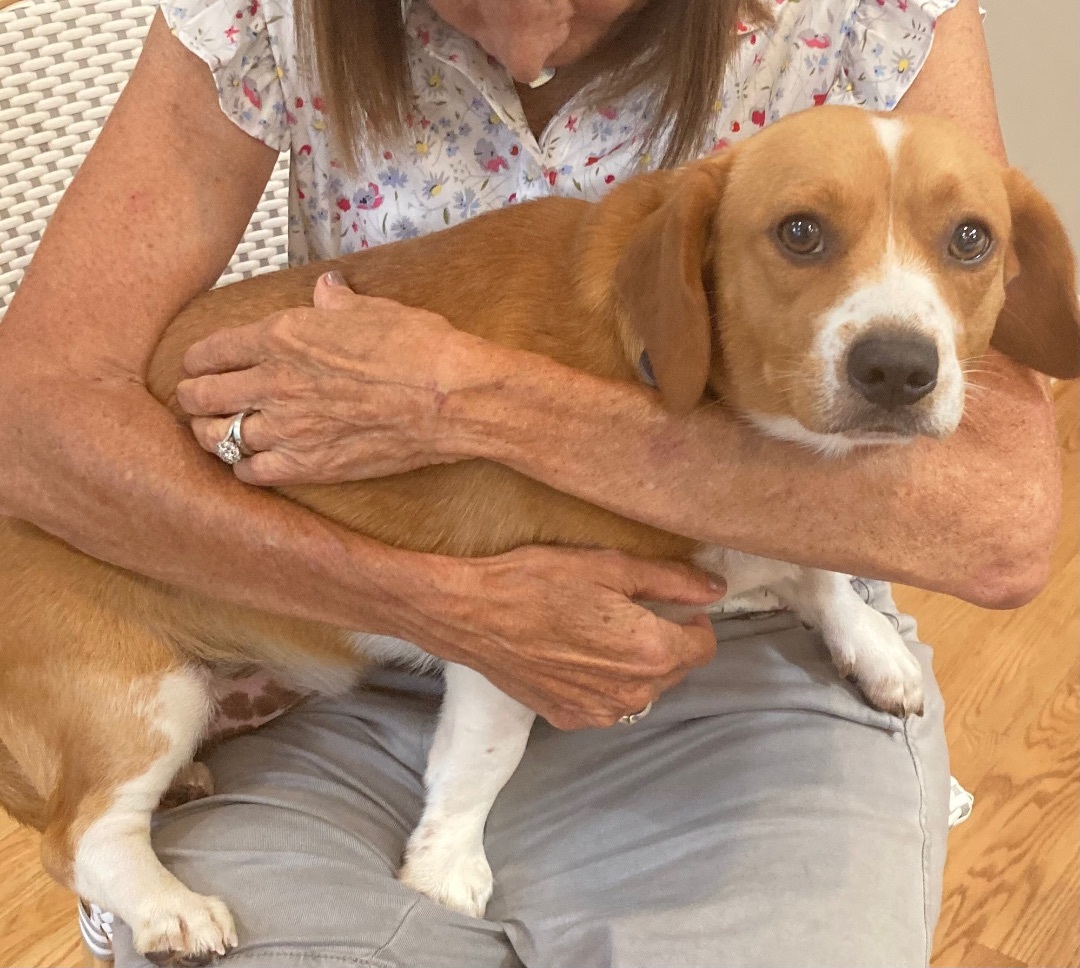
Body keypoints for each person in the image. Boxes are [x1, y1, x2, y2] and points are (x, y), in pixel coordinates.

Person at [0, 0, 1061, 965]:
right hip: (304, 631)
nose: (533, 30)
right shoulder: (261, 16)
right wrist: (437, 604)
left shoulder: (870, 19)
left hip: (736, 651)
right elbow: (32, 417)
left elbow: (1007, 531)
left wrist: (472, 398)